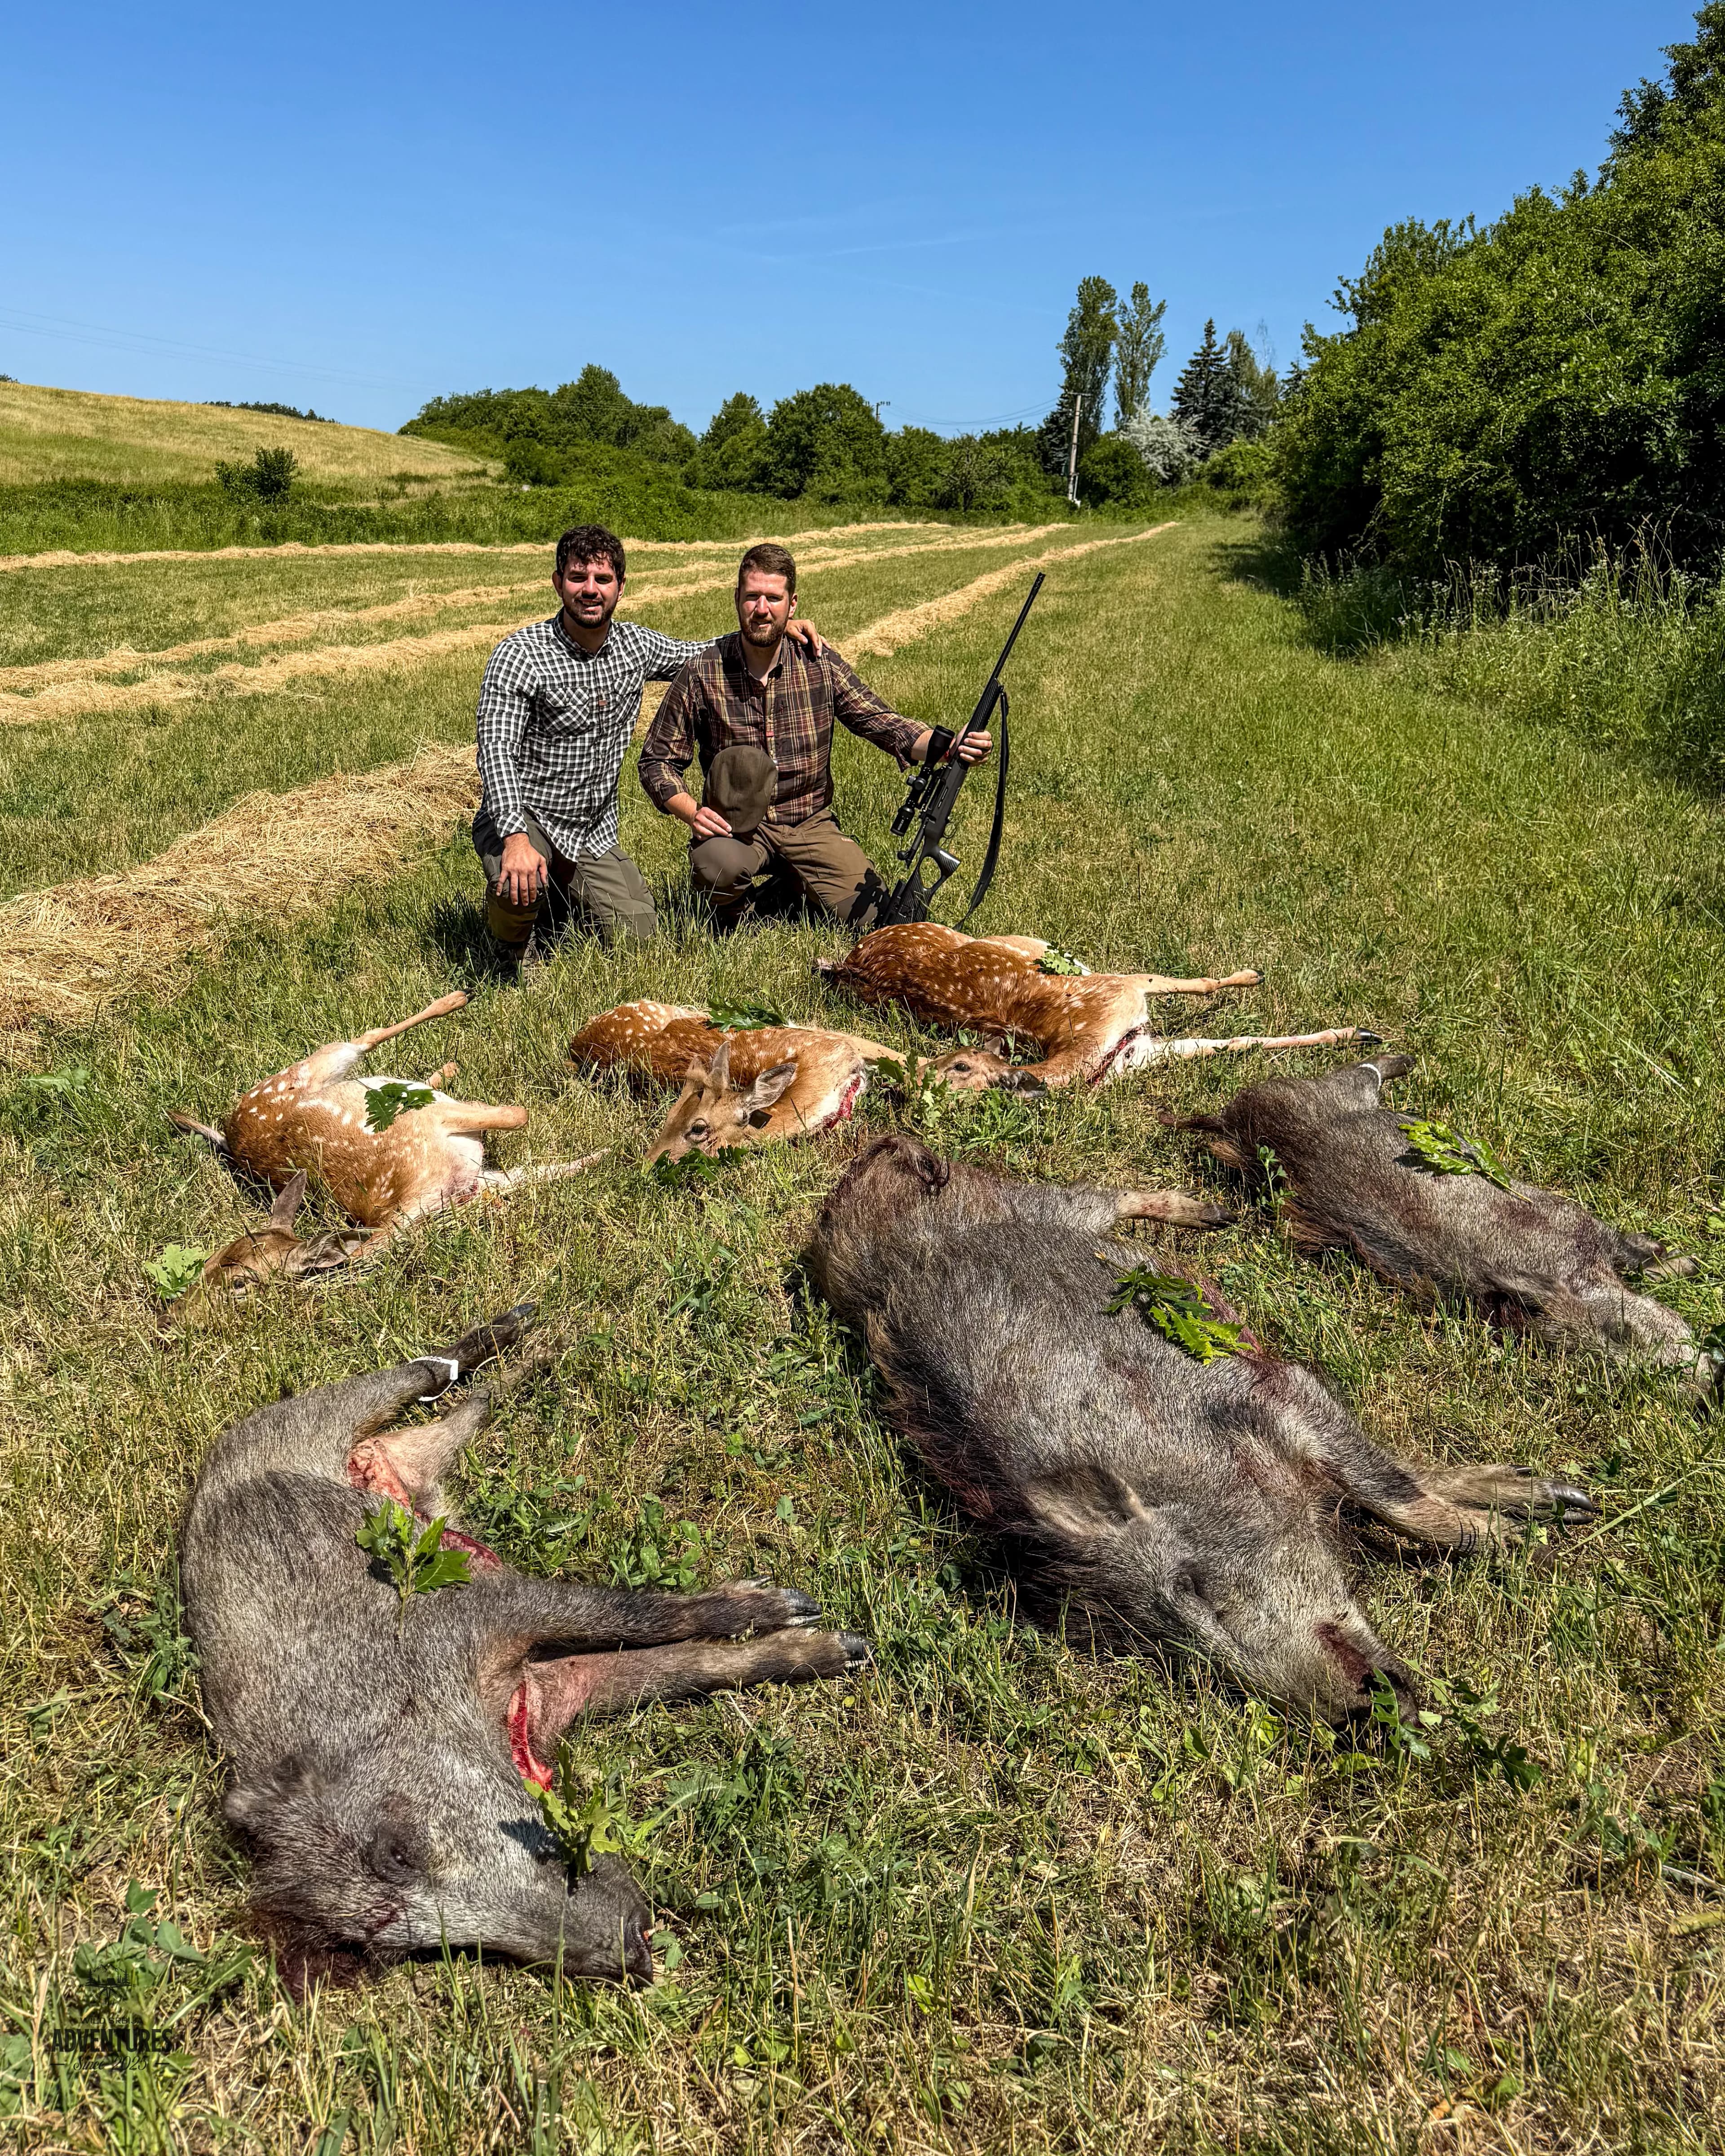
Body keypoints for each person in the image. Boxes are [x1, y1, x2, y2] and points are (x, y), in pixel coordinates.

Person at [473, 523, 827, 964]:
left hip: (590, 831)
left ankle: (557, 902)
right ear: (557, 582)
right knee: (518, 883)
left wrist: (775, 626)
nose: (590, 589)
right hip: (527, 817)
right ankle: (509, 951)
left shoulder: (634, 646)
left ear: (620, 588)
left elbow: (705, 655)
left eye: (603, 580)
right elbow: (496, 754)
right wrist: (514, 838)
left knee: (637, 941)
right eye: (577, 577)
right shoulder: (521, 654)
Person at [637, 542, 991, 929]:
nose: (762, 608)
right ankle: (734, 914)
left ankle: (790, 886)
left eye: (774, 598)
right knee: (718, 867)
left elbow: (879, 719)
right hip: (736, 827)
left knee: (873, 918)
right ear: (737, 599)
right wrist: (693, 812)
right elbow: (657, 760)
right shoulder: (704, 670)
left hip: (808, 820)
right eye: (752, 596)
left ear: (792, 605)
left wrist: (947, 747)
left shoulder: (818, 662)